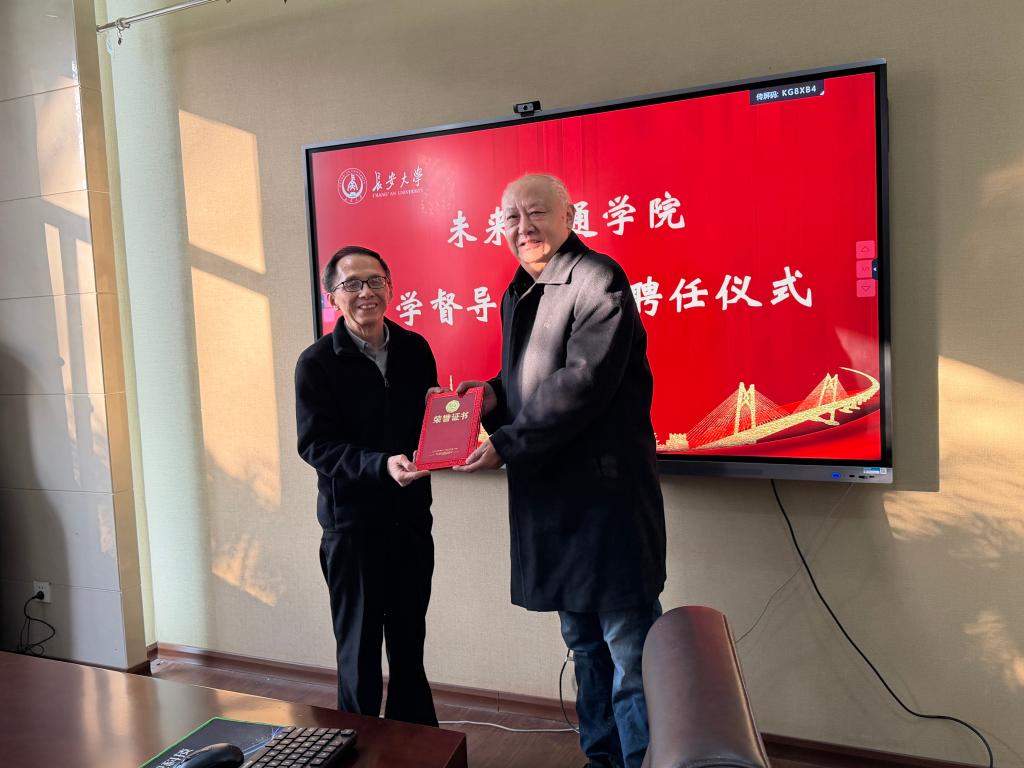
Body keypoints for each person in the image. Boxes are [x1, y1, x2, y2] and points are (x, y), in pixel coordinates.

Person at [454, 174, 667, 768]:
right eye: (511, 218)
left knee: (630, 652)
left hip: (605, 504)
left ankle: (642, 761)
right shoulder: (519, 290)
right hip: (553, 506)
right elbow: (530, 378)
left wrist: (508, 441)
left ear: (570, 216)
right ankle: (602, 758)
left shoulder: (598, 280)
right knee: (584, 647)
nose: (523, 228)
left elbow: (582, 382)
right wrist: (492, 395)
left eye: (537, 213)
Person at [295, 245, 438, 727]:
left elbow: (427, 423)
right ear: (332, 297)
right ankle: (357, 747)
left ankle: (419, 747)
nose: (365, 292)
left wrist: (449, 421)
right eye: (351, 284)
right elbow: (316, 445)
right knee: (358, 653)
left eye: (375, 281)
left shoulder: (415, 349)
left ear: (390, 288)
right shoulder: (317, 363)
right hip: (353, 531)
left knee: (409, 645)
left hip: (411, 522)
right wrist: (380, 465)